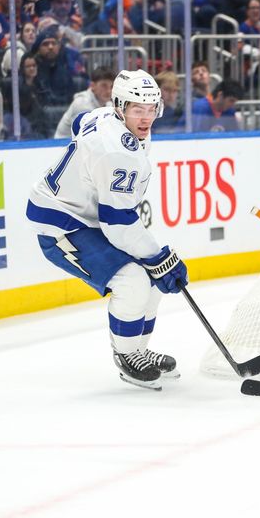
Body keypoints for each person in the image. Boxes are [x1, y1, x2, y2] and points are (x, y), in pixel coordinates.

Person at [25, 69, 188, 391]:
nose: (145, 118)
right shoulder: (118, 152)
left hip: (86, 217)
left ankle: (138, 350)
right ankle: (127, 356)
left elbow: (80, 121)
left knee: (153, 279)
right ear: (119, 107)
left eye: (151, 108)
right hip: (60, 222)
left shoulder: (105, 116)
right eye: (137, 109)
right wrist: (157, 256)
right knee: (134, 279)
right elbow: (117, 222)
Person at [54, 67, 115, 138]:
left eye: (111, 87)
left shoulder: (109, 105)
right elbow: (86, 137)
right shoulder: (81, 104)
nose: (108, 91)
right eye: (104, 86)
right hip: (63, 145)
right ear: (92, 86)